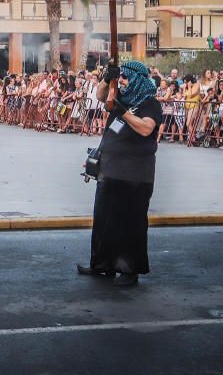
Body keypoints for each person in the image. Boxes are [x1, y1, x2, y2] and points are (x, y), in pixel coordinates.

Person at [78, 60, 162, 287]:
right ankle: (102, 265)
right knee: (104, 219)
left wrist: (123, 112)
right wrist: (107, 77)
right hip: (110, 169)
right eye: (120, 76)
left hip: (135, 174)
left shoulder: (150, 104)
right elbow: (100, 96)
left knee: (131, 222)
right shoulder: (120, 97)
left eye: (125, 77)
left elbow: (145, 128)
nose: (122, 81)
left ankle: (129, 270)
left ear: (137, 79)